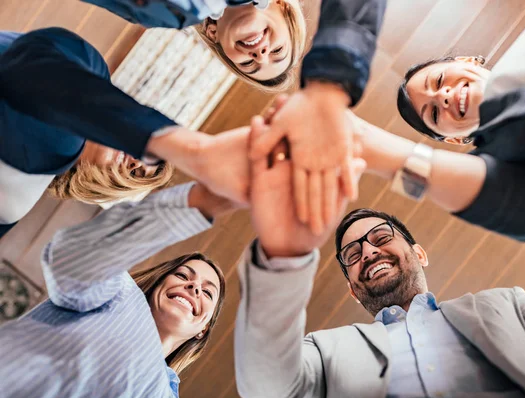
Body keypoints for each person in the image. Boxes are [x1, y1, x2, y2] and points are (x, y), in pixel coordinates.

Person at [235, 196, 525, 398]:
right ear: (352, 289)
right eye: (352, 255)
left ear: (419, 254)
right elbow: (268, 389)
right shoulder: (322, 350)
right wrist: (282, 254)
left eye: (380, 237)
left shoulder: (506, 305)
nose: (368, 252)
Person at [81, 0, 388, 235]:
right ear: (282, 7)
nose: (260, 54)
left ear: (215, 34)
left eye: (250, 65)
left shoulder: (159, 13)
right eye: (278, 50)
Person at [0, 27, 253, 238]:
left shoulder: (23, 197)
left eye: (135, 173)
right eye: (147, 158)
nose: (136, 160)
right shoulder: (87, 70)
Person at [389, 0, 525, 242]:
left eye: (438, 81)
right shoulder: (506, 170)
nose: (444, 96)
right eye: (434, 113)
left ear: (466, 61)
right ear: (455, 139)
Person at [0, 181, 234, 398]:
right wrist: (197, 201)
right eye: (182, 275)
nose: (194, 286)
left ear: (203, 329)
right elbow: (69, 256)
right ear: (158, 285)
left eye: (207, 292)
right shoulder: (117, 290)